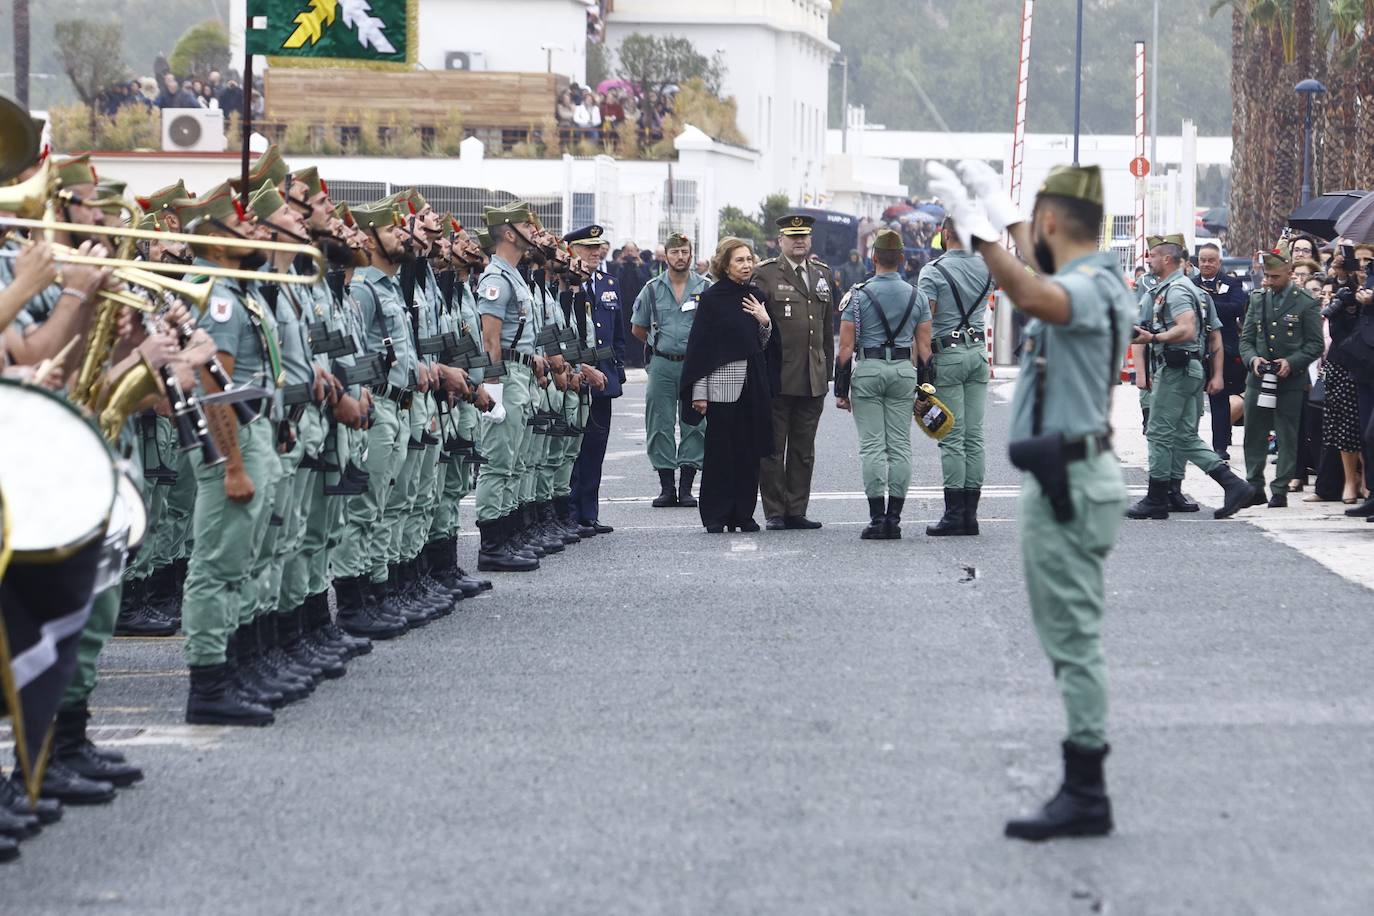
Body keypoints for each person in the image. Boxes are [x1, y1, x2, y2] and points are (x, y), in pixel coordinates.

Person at [929, 159, 1132, 841]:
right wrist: (1005, 215)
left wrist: (979, 234)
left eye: (1029, 225)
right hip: (1068, 476)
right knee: (1069, 635)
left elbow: (1037, 294)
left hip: (1069, 483)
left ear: (1050, 223)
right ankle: (1083, 784)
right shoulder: (1091, 273)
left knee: (1073, 640)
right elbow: (1044, 269)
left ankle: (1086, 791)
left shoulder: (1089, 285)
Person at [1125, 234, 1253, 520]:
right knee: (1183, 435)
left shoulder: (1177, 291)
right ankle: (1232, 484)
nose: (1150, 260)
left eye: (1153, 256)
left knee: (1159, 431)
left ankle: (1157, 498)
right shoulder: (1186, 289)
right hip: (1188, 370)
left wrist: (1154, 337)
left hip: (1176, 369)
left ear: (1167, 259)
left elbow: (1187, 329)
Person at [834, 228, 930, 538]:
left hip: (870, 369)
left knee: (873, 448)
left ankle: (877, 520)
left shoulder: (859, 295)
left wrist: (841, 391)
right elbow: (926, 350)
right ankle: (895, 520)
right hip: (903, 369)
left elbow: (846, 347)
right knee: (900, 447)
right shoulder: (918, 296)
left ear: (873, 257)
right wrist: (926, 391)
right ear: (902, 259)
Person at [679, 238, 780, 532]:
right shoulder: (712, 298)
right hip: (720, 387)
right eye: (739, 260)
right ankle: (716, 515)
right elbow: (700, 348)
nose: (747, 265)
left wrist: (765, 321)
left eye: (749, 259)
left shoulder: (756, 295)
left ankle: (743, 515)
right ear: (725, 264)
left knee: (748, 454)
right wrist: (699, 392)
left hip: (753, 385)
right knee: (720, 453)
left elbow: (764, 345)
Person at [473, 203, 545, 570]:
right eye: (525, 224)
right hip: (506, 375)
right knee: (498, 462)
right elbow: (490, 340)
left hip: (521, 373)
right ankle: (491, 545)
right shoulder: (497, 279)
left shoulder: (514, 276)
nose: (533, 230)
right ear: (508, 232)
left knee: (514, 462)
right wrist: (494, 388)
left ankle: (507, 537)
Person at [753, 214, 834, 530]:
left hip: (812, 376)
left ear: (810, 240)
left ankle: (797, 509)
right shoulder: (767, 275)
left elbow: (827, 330)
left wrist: (827, 369)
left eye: (804, 236)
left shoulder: (822, 274)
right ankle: (775, 510)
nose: (799, 241)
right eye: (792, 236)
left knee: (803, 450)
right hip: (777, 376)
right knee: (773, 448)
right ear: (780, 241)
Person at [917, 218, 992, 535]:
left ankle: (953, 515)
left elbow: (924, 322)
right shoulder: (986, 267)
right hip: (977, 354)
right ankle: (970, 516)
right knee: (974, 437)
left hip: (946, 357)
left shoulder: (933, 270)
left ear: (944, 234)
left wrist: (920, 370)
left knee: (950, 436)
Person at [1239, 244, 1325, 507]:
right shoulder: (1257, 299)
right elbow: (1246, 339)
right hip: (1259, 378)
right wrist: (1253, 359)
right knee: (1254, 431)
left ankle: (1280, 489)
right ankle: (1254, 485)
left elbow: (1315, 344)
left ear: (1289, 271)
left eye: (1275, 276)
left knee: (1287, 434)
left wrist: (1291, 362)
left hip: (1289, 380)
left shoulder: (1305, 302)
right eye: (1267, 275)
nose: (1269, 281)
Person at [631, 232, 709, 508]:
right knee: (659, 424)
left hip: (695, 364)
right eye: (675, 252)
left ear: (691, 254)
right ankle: (667, 488)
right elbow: (638, 327)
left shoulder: (706, 288)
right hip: (662, 363)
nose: (680, 257)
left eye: (685, 252)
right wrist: (658, 344)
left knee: (695, 424)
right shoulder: (651, 289)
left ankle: (687, 487)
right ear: (666, 255)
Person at [568, 225, 626, 533]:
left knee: (595, 449)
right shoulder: (566, 284)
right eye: (586, 247)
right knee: (571, 450)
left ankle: (588, 513)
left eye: (597, 247)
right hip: (575, 377)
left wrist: (616, 369)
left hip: (604, 377)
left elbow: (618, 333)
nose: (594, 252)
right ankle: (568, 513)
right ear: (572, 250)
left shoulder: (609, 283)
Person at [1193, 243, 1249, 460]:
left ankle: (1220, 445)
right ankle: (1190, 444)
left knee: (1220, 398)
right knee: (1192, 400)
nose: (1206, 264)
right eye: (1203, 260)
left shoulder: (1231, 283)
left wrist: (1206, 305)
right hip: (1195, 348)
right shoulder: (1190, 284)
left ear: (1219, 262)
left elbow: (1237, 308)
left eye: (1211, 260)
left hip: (1223, 349)